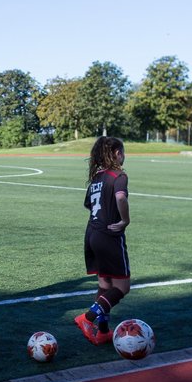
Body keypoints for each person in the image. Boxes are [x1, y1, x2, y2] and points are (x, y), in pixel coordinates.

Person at [74, 136, 129, 345]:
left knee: (105, 285)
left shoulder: (97, 177)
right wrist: (125, 220)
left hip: (91, 234)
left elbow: (88, 204)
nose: (124, 157)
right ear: (116, 153)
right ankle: (87, 318)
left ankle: (103, 330)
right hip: (109, 236)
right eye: (123, 152)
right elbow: (121, 198)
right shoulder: (119, 176)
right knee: (122, 288)